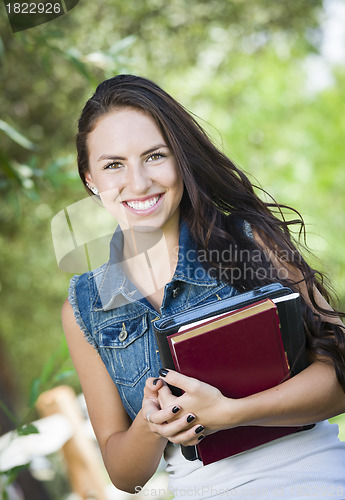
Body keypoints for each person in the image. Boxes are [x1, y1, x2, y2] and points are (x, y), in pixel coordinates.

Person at [62, 74, 345, 498]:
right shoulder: (85, 307)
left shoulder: (250, 240)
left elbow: (339, 377)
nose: (138, 183)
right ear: (90, 179)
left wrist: (231, 413)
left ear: (180, 158)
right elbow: (126, 475)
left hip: (312, 481)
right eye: (113, 165)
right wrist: (150, 423)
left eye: (155, 156)